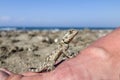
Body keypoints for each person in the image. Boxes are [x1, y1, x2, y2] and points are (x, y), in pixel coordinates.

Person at [1, 28, 120, 80]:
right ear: (67, 36)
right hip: (49, 62)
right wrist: (71, 56)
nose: (74, 34)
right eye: (71, 33)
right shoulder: (63, 45)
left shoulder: (64, 45)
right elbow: (64, 52)